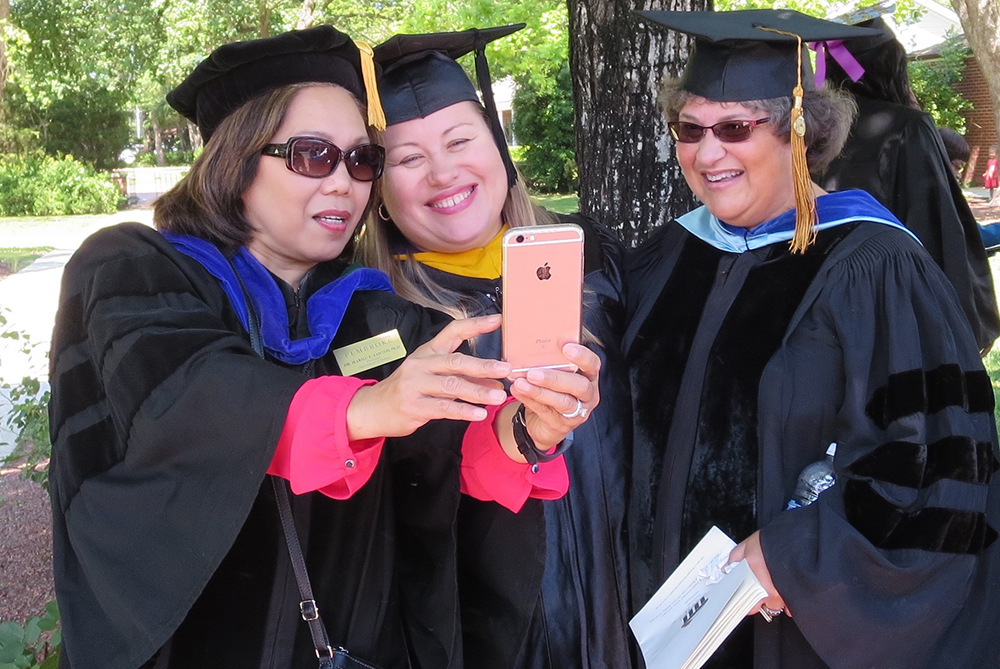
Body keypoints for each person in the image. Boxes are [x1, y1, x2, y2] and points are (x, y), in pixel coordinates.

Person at [47, 25, 595, 669]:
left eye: (363, 160)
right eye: (313, 155)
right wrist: (364, 411)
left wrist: (528, 431)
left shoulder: (378, 317)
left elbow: (448, 466)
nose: (346, 183)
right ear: (237, 156)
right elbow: (186, 399)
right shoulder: (135, 270)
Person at [627, 9, 1000, 669]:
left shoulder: (874, 267)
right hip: (661, 624)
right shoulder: (667, 257)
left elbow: (942, 466)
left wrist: (802, 554)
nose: (707, 152)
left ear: (798, 130)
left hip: (796, 634)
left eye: (735, 127)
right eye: (690, 128)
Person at [359, 26, 634, 669]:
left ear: (499, 149)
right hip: (476, 630)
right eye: (406, 158)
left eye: (460, 140)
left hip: (615, 606)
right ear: (381, 193)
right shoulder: (368, 321)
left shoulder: (596, 262)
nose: (443, 171)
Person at [818, 17, 1000, 353]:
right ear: (891, 66)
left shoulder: (810, 129)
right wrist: (968, 321)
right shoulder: (905, 126)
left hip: (822, 303)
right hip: (897, 306)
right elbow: (937, 224)